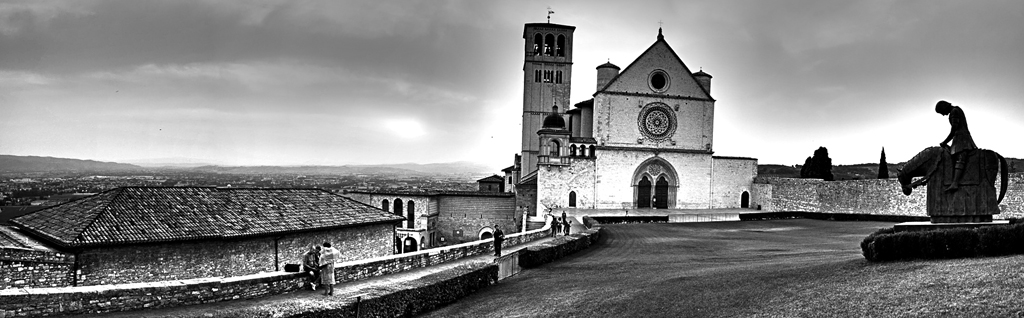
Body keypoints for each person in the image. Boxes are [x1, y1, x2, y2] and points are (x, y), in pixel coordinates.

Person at [936, 100, 977, 192]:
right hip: (958, 138)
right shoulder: (955, 110)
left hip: (962, 139)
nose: (943, 115)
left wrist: (944, 142)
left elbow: (954, 129)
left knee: (960, 158)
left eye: (941, 112)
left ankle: (955, 183)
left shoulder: (954, 111)